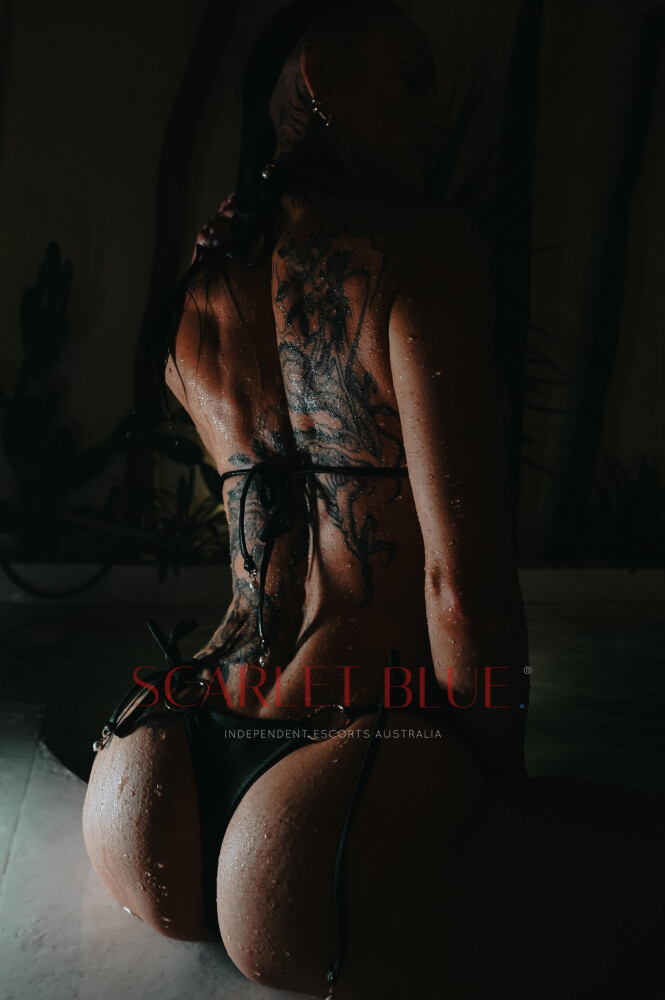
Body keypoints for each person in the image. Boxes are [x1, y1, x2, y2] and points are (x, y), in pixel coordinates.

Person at [83, 2, 665, 998]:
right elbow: (460, 589)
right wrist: (489, 804)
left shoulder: (203, 285)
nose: (433, 117)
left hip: (155, 774)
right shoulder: (422, 251)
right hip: (335, 807)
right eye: (411, 79)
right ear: (320, 75)